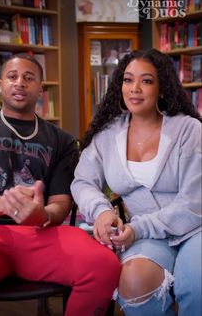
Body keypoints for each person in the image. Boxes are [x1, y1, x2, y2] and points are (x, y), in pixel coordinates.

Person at [0, 53, 121, 316]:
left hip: (40, 234)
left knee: (104, 265)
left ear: (41, 88)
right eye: (12, 77)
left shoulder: (62, 140)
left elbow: (60, 203)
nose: (20, 83)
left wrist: (43, 214)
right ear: (0, 84)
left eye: (29, 78)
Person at [71, 48, 202, 316]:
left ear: (162, 88)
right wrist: (103, 211)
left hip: (195, 229)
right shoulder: (107, 134)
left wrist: (137, 228)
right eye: (128, 80)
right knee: (134, 281)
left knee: (196, 284)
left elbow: (194, 203)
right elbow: (82, 180)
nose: (135, 89)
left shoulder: (189, 129)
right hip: (145, 236)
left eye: (146, 81)